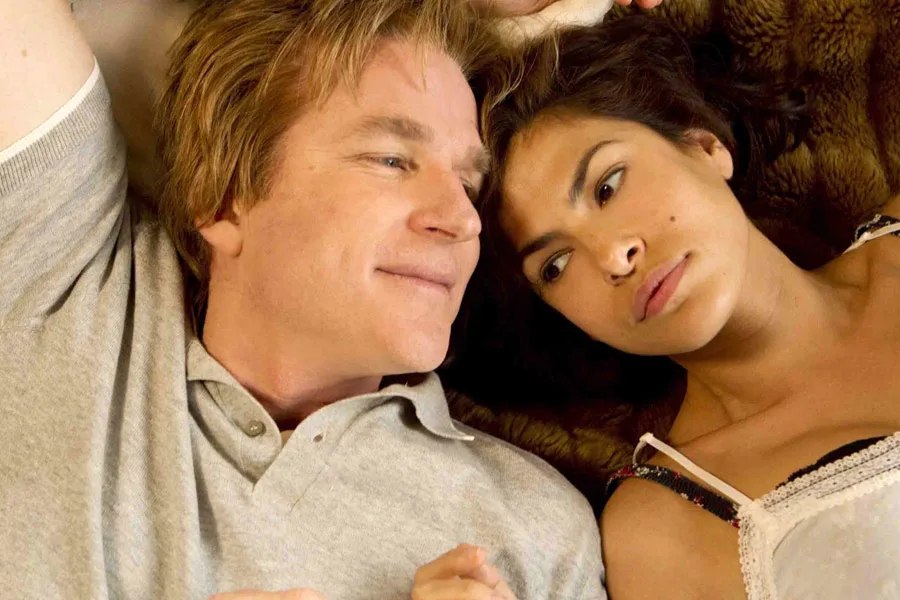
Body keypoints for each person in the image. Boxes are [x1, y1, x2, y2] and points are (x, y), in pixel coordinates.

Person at [0, 1, 615, 598]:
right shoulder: (66, 277)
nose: (462, 220)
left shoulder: (535, 530)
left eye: (469, 185)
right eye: (392, 160)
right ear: (224, 198)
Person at [469, 13, 900, 600]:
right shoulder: (665, 527)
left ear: (704, 145)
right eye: (556, 265)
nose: (612, 256)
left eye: (607, 186)